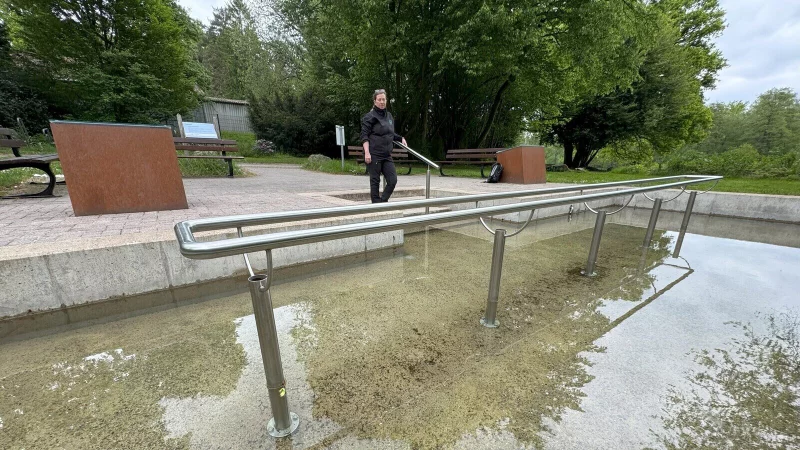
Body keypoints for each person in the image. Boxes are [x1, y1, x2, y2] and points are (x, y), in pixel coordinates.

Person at [360, 89, 407, 203]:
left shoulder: (389, 116)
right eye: (379, 99)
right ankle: (376, 205)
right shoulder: (369, 117)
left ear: (386, 101)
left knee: (392, 180)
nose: (382, 101)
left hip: (386, 155)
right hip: (374, 154)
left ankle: (382, 202)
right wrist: (367, 152)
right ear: (375, 101)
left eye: (384, 99)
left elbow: (390, 133)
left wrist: (401, 138)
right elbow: (364, 136)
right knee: (375, 181)